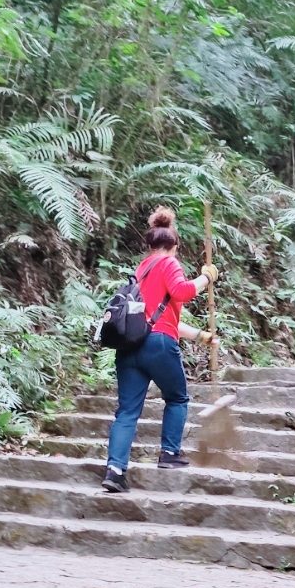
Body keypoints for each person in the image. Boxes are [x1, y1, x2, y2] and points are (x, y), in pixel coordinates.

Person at [101, 205, 217, 489]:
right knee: (177, 398)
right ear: (173, 246)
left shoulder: (140, 272)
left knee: (127, 412)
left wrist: (200, 336)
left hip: (130, 346)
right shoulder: (168, 263)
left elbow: (156, 318)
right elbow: (181, 292)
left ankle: (114, 472)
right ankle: (169, 452)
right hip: (158, 346)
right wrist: (207, 277)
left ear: (149, 245)